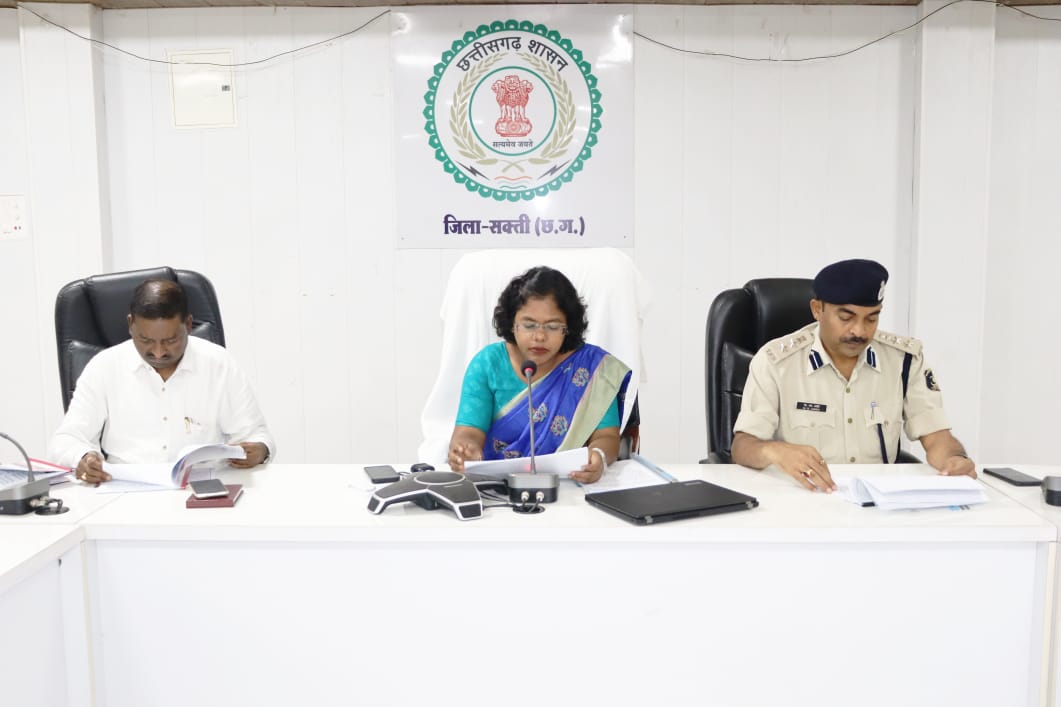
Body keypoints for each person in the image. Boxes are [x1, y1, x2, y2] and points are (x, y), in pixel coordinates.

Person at [730, 258, 975, 492]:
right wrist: (776, 451)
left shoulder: (904, 361)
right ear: (817, 310)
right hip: (804, 498)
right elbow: (743, 446)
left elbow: (937, 438)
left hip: (877, 502)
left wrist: (955, 459)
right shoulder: (776, 362)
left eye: (872, 318)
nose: (859, 331)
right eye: (846, 318)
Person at [49, 279, 275, 484]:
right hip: (126, 491)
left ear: (188, 324)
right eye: (145, 340)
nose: (158, 352)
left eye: (170, 340)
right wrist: (82, 458)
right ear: (130, 324)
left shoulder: (219, 364)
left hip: (204, 491)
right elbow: (66, 440)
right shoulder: (104, 367)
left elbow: (257, 436)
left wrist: (259, 450)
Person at [447, 266, 631, 484]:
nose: (540, 336)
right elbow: (468, 432)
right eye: (529, 325)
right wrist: (465, 451)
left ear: (568, 328)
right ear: (512, 325)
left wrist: (598, 457)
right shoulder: (488, 364)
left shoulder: (592, 368)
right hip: (495, 486)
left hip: (568, 484)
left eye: (552, 327)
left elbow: (606, 436)